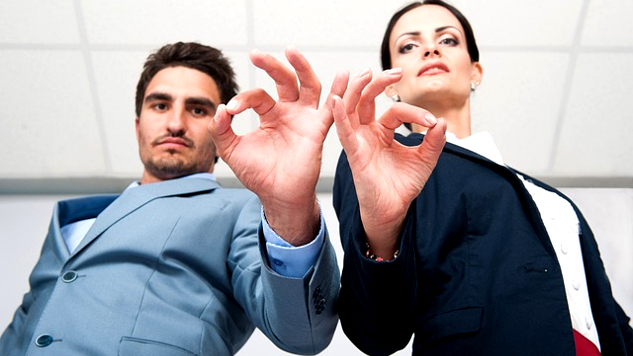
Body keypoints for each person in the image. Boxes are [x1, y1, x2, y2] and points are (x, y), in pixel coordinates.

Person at [0, 42, 345, 356]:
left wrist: (289, 209)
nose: (175, 123)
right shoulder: (72, 220)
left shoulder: (241, 210)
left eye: (197, 110)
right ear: (138, 126)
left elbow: (304, 334)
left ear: (221, 130)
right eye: (160, 105)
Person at [331, 1, 633, 355]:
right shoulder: (376, 162)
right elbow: (377, 333)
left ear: (476, 71)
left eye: (448, 40)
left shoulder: (551, 199)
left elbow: (610, 319)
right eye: (409, 46)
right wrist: (382, 230)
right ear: (391, 87)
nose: (430, 49)